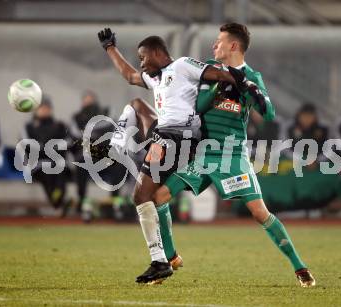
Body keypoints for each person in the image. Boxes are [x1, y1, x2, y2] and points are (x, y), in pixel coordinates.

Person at [150, 23, 315, 287]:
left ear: (233, 46)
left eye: (219, 41)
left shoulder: (251, 75)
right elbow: (198, 107)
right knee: (159, 196)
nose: (214, 45)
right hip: (204, 153)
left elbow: (269, 113)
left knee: (259, 212)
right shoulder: (208, 72)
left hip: (232, 155)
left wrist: (251, 89)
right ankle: (169, 259)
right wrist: (218, 90)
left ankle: (300, 268)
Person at [97, 27, 261, 284]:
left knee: (141, 195)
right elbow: (129, 76)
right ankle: (116, 147)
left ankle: (160, 261)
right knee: (136, 105)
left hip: (179, 138)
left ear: (158, 53)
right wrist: (110, 48)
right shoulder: (156, 78)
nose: (141, 63)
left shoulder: (183, 66)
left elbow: (218, 73)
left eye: (143, 57)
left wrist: (243, 82)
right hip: (166, 134)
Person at [70, 90, 116, 220]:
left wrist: (88, 131)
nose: (88, 101)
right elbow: (75, 134)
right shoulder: (76, 117)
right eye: (86, 99)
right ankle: (82, 200)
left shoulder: (106, 112)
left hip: (106, 151)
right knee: (80, 161)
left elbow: (110, 125)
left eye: (90, 98)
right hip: (88, 152)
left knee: (121, 162)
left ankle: (114, 204)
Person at [22, 96, 71, 216]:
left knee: (60, 171)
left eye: (47, 108)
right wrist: (46, 148)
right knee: (47, 171)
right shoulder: (29, 127)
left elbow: (69, 141)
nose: (44, 110)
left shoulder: (60, 125)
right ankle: (58, 203)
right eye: (41, 108)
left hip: (58, 161)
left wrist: (52, 148)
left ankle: (58, 201)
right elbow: (26, 144)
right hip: (38, 164)